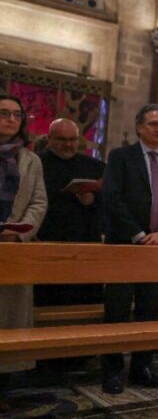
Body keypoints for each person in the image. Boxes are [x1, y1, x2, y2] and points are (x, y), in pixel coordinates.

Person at [101, 103, 158, 394]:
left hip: (157, 249)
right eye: (153, 124)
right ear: (139, 127)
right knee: (118, 309)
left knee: (149, 310)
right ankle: (112, 371)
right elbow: (112, 198)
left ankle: (142, 367)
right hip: (125, 245)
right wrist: (138, 234)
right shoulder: (121, 157)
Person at [0, 94, 47, 401]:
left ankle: (5, 382)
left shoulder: (31, 159)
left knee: (9, 316)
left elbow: (39, 201)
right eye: (4, 113)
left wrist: (19, 233)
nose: (11, 119)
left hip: (15, 245)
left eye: (17, 114)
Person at [36, 118, 105, 306]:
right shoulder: (36, 163)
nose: (68, 144)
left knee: (84, 299)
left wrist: (91, 199)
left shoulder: (95, 166)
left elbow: (108, 202)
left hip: (84, 238)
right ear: (49, 139)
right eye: (61, 139)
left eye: (73, 139)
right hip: (47, 237)